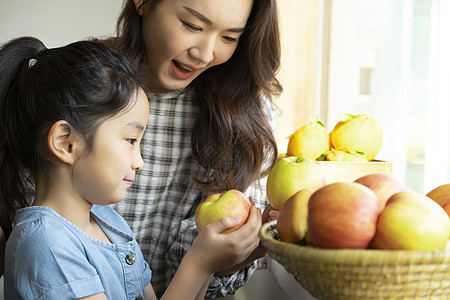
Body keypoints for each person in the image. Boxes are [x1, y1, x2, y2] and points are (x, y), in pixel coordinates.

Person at [0, 36, 262, 299]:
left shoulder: (109, 222)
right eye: (130, 140)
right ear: (66, 143)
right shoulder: (46, 244)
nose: (140, 161)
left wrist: (208, 266)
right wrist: (199, 263)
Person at [97, 0, 283, 298]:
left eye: (229, 37)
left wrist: (247, 245)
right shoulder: (80, 84)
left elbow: (212, 269)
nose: (205, 54)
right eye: (193, 26)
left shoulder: (244, 108)